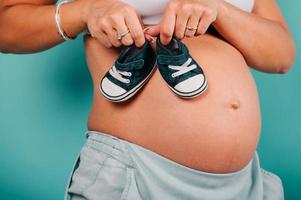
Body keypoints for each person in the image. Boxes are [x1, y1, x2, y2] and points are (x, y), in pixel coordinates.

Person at [0, 0, 295, 199]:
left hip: (245, 184)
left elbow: (281, 54)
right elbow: (5, 25)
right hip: (134, 177)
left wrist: (219, 9)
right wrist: (85, 11)